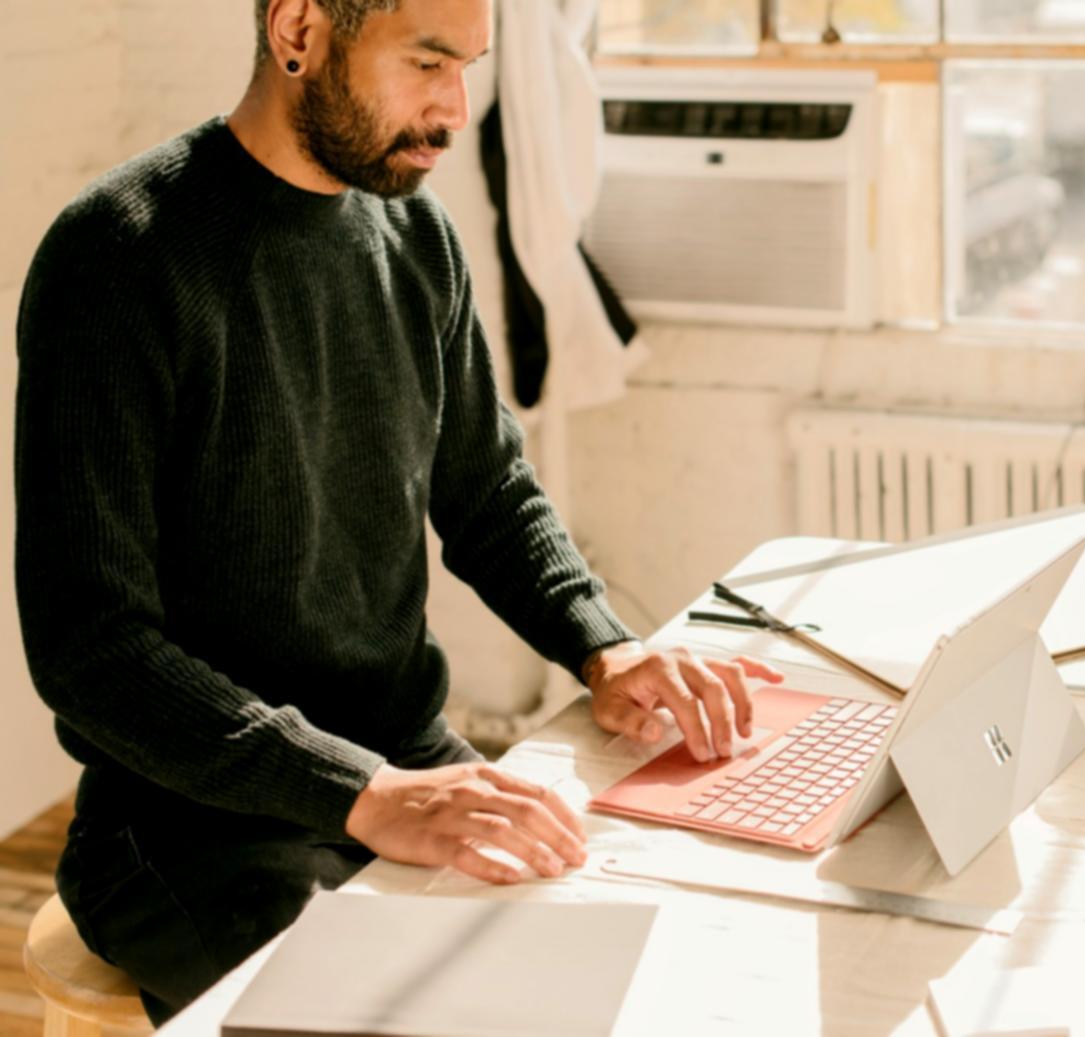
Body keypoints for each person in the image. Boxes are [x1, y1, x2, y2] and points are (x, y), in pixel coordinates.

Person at [14, 0, 780, 1023]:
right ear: (299, 32)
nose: (456, 107)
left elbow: (489, 491)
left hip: (403, 766)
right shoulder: (118, 258)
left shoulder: (418, 234)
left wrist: (608, 648)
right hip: (188, 829)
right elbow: (91, 649)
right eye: (426, 62)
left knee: (638, 971)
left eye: (468, 66)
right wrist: (363, 792)